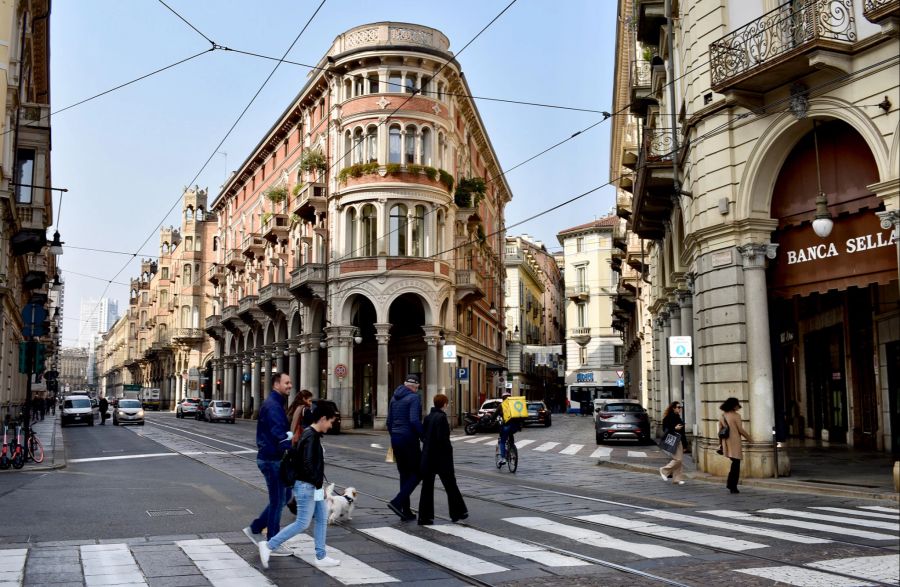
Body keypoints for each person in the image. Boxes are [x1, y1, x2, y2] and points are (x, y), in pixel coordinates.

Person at [258, 402, 341, 569]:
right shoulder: (310, 436)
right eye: (330, 421)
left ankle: (321, 556)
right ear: (323, 419)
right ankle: (268, 545)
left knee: (322, 518)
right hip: (307, 486)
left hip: (313, 485)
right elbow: (308, 465)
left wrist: (319, 485)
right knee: (303, 522)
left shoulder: (312, 435)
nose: (331, 425)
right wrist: (319, 486)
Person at [243, 372, 295, 553]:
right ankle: (272, 541)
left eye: (290, 383)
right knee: (278, 500)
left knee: (285, 496)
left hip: (272, 457)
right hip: (272, 459)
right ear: (276, 385)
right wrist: (290, 443)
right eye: (286, 383)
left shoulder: (275, 403)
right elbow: (278, 433)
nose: (290, 385)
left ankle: (256, 528)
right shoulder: (273, 406)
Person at [417, 394, 468, 526]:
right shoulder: (442, 418)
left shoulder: (428, 417)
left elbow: (423, 435)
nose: (448, 405)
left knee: (427, 488)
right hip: (441, 458)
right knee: (451, 485)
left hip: (428, 456)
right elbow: (443, 440)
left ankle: (424, 517)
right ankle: (458, 512)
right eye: (447, 403)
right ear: (444, 404)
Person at [386, 374, 423, 521]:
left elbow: (389, 422)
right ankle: (397, 501)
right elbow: (414, 420)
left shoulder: (394, 397)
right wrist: (423, 436)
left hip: (395, 438)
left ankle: (405, 511)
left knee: (404, 474)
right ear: (415, 387)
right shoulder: (414, 398)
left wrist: (394, 436)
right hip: (409, 438)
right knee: (419, 472)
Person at [284, 390, 314, 515]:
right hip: (303, 447)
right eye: (310, 400)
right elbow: (310, 428)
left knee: (303, 478)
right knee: (310, 478)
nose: (311, 403)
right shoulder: (304, 410)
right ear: (304, 399)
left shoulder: (294, 408)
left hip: (294, 446)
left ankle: (297, 502)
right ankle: (298, 504)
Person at [720, 397, 752, 494]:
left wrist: (720, 444)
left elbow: (720, 432)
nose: (739, 406)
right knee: (736, 464)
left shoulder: (722, 416)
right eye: (737, 404)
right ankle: (732, 486)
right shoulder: (736, 416)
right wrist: (750, 439)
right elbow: (740, 430)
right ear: (733, 406)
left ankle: (731, 484)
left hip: (726, 442)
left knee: (735, 463)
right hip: (734, 442)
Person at [659, 401, 686, 485]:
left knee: (680, 460)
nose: (680, 409)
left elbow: (682, 432)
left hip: (679, 440)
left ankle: (677, 479)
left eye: (680, 407)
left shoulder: (678, 417)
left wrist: (685, 444)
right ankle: (664, 470)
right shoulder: (668, 417)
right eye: (678, 407)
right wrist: (675, 428)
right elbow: (665, 429)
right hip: (673, 440)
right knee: (678, 459)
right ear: (673, 408)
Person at [493, 391, 521, 466]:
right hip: (515, 426)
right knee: (510, 436)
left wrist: (491, 420)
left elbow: (494, 415)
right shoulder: (514, 404)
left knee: (502, 441)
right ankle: (512, 449)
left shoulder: (501, 405)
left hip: (507, 426)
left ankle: (503, 458)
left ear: (503, 398)